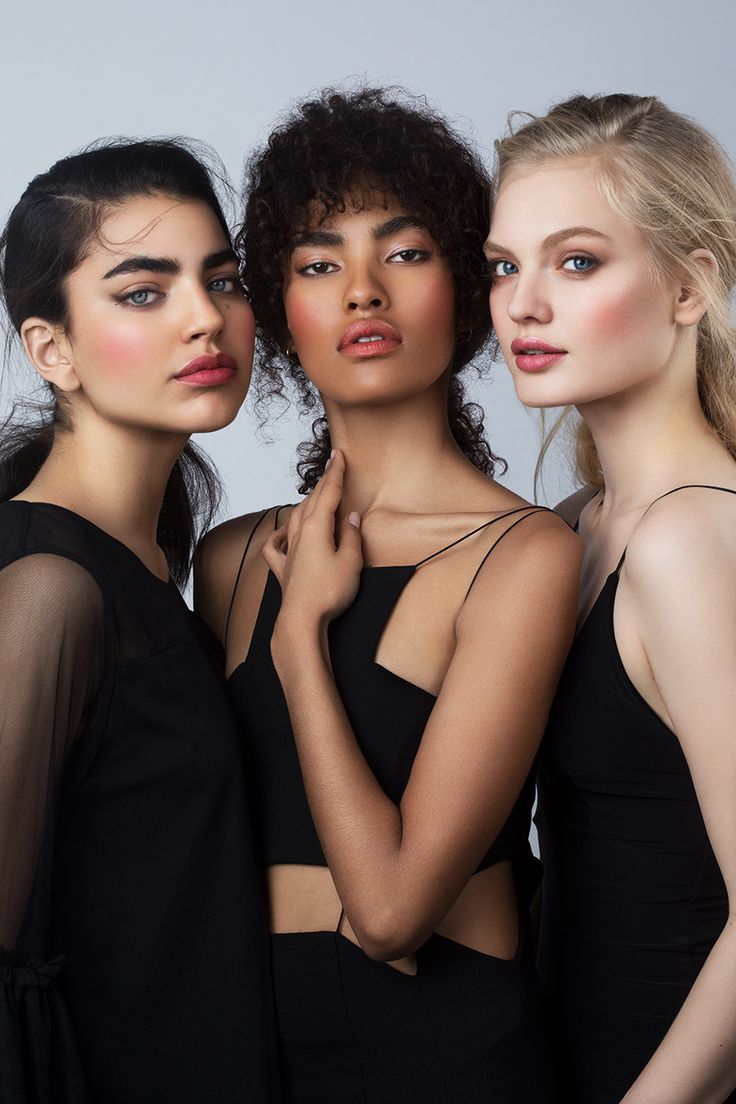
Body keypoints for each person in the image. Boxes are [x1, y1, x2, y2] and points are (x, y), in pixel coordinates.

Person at [196, 87, 580, 1102]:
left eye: (403, 254)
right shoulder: (231, 559)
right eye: (319, 264)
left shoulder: (523, 554)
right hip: (242, 1041)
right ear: (280, 309)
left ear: (461, 283)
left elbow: (394, 914)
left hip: (442, 1050)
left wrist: (300, 648)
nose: (361, 291)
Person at [0, 140, 276, 1102]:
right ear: (53, 350)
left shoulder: (163, 560)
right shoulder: (48, 589)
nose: (208, 318)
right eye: (143, 291)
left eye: (223, 278)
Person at [488, 92, 736, 1104]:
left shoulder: (690, 540)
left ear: (690, 286)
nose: (523, 304)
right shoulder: (584, 521)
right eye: (506, 265)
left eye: (575, 261)